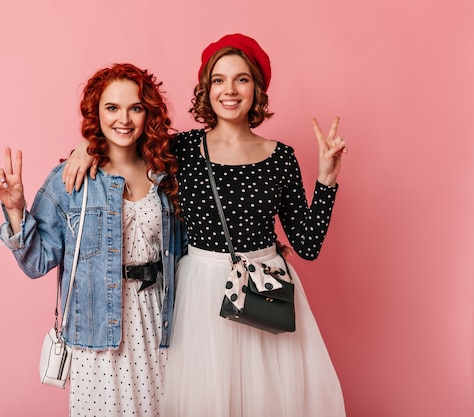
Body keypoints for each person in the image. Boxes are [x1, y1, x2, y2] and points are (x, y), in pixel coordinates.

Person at [63, 34, 347, 417]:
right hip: (199, 293)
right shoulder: (181, 150)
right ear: (206, 88)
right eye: (218, 79)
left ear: (257, 89)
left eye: (241, 79)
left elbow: (307, 245)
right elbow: (123, 137)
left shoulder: (281, 157)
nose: (229, 90)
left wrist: (326, 180)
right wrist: (87, 147)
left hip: (264, 291)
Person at [0, 63, 183, 417]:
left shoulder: (167, 173)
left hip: (161, 325)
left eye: (135, 108)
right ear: (96, 112)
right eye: (112, 108)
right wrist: (17, 210)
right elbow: (37, 263)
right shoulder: (72, 179)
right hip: (98, 333)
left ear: (148, 113)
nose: (123, 119)